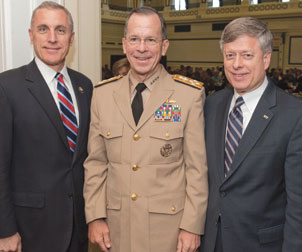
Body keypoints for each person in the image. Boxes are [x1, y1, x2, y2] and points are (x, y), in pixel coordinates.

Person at [84, 6, 208, 252]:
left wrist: (192, 226)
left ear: (164, 46)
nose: (141, 48)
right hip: (116, 230)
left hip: (168, 231)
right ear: (124, 44)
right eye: (134, 39)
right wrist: (95, 216)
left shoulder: (188, 96)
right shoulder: (102, 95)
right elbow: (96, 163)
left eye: (151, 40)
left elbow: (196, 169)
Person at [201, 17, 302, 252]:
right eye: (230, 55)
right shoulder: (211, 105)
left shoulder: (294, 114)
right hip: (211, 242)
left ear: (266, 59)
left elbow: (298, 203)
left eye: (247, 55)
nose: (237, 64)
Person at [0, 2, 93, 252]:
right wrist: (5, 230)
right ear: (31, 35)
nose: (52, 38)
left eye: (60, 30)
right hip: (30, 230)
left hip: (79, 227)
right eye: (43, 29)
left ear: (71, 38)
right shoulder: (7, 87)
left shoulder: (85, 86)